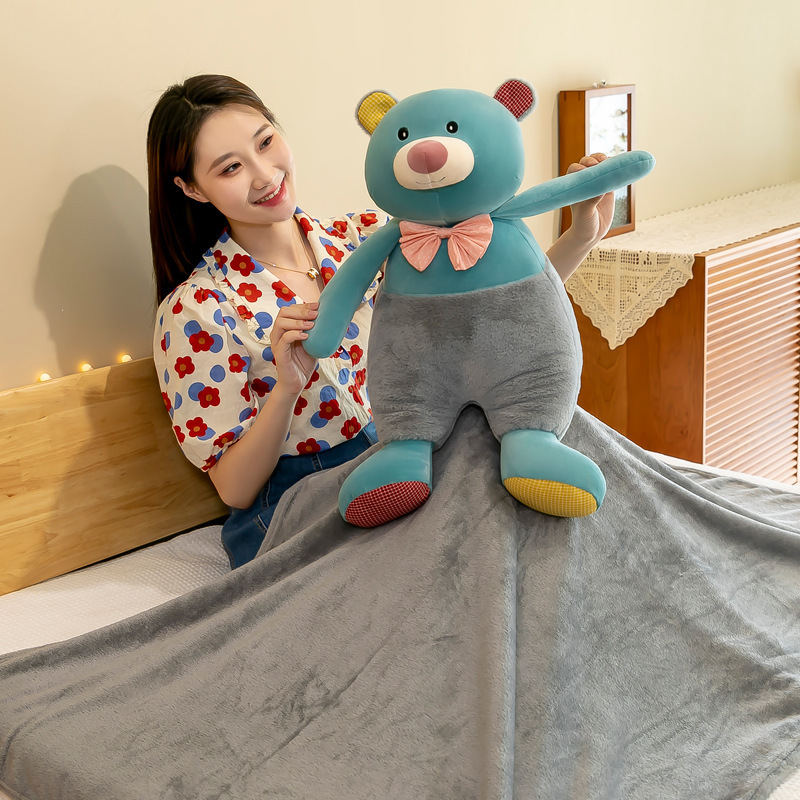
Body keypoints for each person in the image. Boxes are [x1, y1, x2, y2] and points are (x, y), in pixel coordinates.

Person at [147, 74, 615, 569]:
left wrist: (583, 235)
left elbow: (498, 309)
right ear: (191, 188)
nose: (264, 175)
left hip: (406, 452)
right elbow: (236, 489)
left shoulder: (363, 236)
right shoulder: (196, 309)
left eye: (265, 142)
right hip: (297, 497)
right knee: (481, 547)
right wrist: (287, 388)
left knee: (546, 502)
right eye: (230, 168)